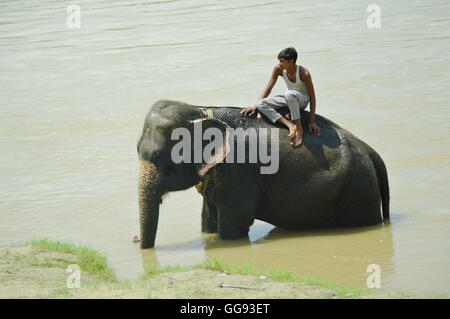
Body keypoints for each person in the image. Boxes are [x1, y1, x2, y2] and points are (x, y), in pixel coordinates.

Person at [241, 47, 320, 147]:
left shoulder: (304, 73)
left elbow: (312, 97)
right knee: (260, 103)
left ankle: (299, 129)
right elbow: (268, 88)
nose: (279, 64)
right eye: (279, 61)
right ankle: (290, 125)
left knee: (289, 94)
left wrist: (312, 121)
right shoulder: (278, 69)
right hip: (288, 98)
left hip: (302, 100)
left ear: (291, 61)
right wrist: (254, 107)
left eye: (282, 61)